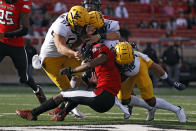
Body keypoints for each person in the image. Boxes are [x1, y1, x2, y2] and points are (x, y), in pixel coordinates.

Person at [16, 39, 121, 122]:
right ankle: (62, 114)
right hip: (106, 99)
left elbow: (90, 63)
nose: (86, 58)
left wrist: (72, 70)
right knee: (77, 92)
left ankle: (32, 114)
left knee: (63, 94)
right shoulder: (107, 66)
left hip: (101, 96)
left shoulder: (100, 50)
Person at [32, 6, 90, 119]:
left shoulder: (77, 22)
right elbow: (60, 47)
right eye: (79, 26)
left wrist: (83, 39)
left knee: (81, 69)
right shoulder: (61, 26)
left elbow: (74, 43)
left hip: (65, 54)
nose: (81, 28)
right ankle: (71, 106)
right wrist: (74, 53)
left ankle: (68, 105)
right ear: (72, 21)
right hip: (50, 58)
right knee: (67, 90)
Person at [115, 42, 187, 123]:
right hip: (125, 76)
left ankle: (177, 109)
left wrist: (170, 81)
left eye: (128, 63)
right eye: (123, 64)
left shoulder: (140, 57)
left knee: (150, 100)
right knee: (124, 100)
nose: (126, 66)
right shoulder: (111, 57)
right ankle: (150, 108)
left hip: (140, 71)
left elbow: (155, 67)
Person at [0, 0, 46, 104]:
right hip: (1, 43)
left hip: (15, 45)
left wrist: (5, 35)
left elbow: (24, 30)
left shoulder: (22, 5)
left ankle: (37, 90)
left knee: (24, 77)